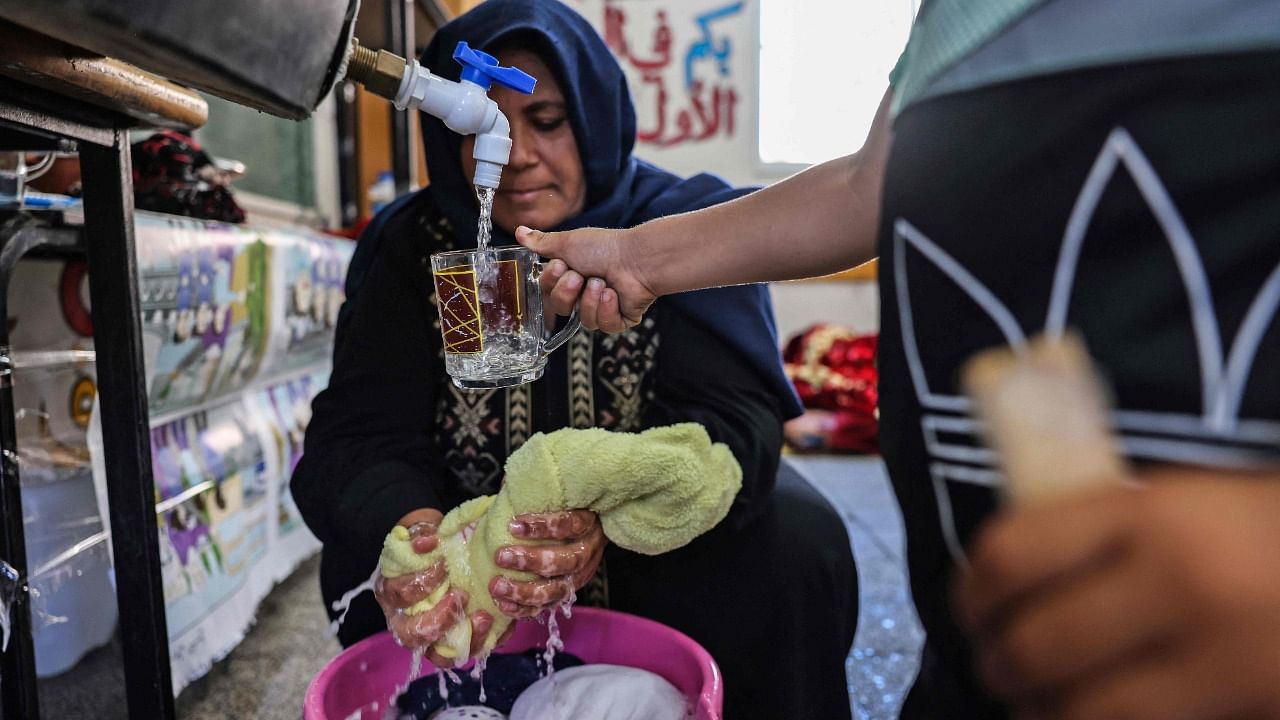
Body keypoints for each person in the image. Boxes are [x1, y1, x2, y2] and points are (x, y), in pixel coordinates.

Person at [518, 2, 1280, 718]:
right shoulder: (948, 21)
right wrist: (632, 256)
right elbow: (864, 188)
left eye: (546, 122)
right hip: (979, 638)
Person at [290, 2, 859, 719]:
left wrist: (599, 524)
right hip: (470, 554)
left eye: (547, 120)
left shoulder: (681, 226)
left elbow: (731, 418)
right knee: (368, 550)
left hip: (651, 562)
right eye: (476, 124)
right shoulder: (415, 246)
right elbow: (357, 434)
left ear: (593, 115)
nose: (516, 151)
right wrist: (424, 535)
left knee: (794, 545)